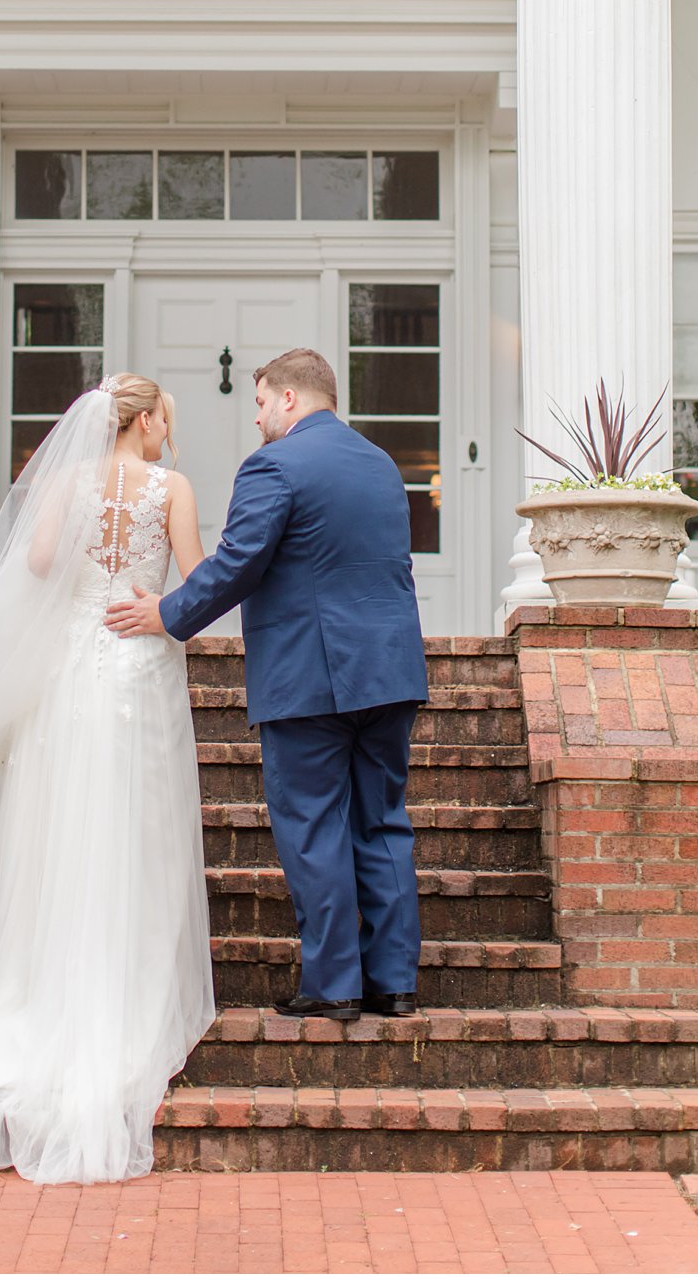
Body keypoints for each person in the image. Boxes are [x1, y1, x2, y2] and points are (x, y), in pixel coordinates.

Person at [0, 373, 214, 1184]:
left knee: (61, 835)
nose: (167, 437)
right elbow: (197, 579)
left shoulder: (63, 481)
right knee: (138, 831)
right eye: (167, 423)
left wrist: (77, 599)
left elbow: (42, 560)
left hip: (69, 678)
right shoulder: (172, 487)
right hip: (139, 661)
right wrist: (149, 598)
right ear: (147, 419)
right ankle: (131, 1001)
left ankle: (42, 1008)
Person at [106, 347, 427, 1021]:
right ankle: (394, 982)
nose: (254, 419)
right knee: (383, 823)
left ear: (288, 398)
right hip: (391, 671)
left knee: (313, 826)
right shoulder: (383, 465)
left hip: (310, 676)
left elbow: (239, 562)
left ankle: (335, 983)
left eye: (258, 403)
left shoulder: (274, 465)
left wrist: (166, 613)